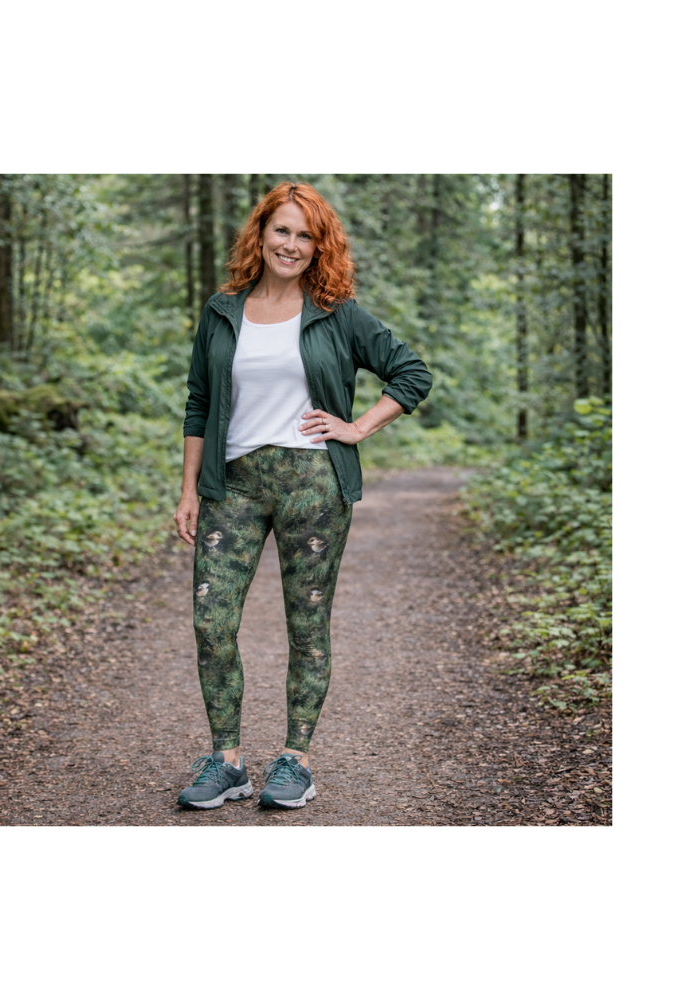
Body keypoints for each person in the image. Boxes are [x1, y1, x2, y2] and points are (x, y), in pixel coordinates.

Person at [173, 182, 432, 809]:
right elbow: (199, 402)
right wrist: (187, 490)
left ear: (320, 247)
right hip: (230, 484)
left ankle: (295, 760)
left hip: (312, 484)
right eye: (282, 230)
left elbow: (413, 374)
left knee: (306, 624)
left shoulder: (336, 312)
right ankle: (227, 759)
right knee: (212, 621)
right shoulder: (222, 309)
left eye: (305, 235)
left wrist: (357, 426)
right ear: (260, 234)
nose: (291, 244)